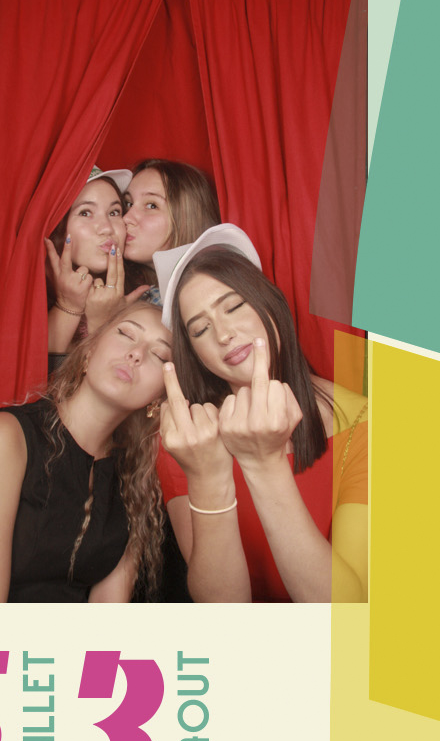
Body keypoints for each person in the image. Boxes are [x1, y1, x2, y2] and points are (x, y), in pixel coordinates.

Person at [155, 226, 368, 603]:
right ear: (196, 356)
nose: (223, 334)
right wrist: (207, 477)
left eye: (234, 306)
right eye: (200, 329)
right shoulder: (188, 438)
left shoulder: (364, 422)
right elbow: (224, 611)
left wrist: (264, 464)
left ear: (270, 302)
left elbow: (348, 614)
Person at [0, 301, 170, 602]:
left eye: (159, 355)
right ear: (89, 351)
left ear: (159, 398)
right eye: (126, 334)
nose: (136, 353)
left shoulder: (136, 481)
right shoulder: (4, 439)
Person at [44, 166, 155, 366]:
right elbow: (40, 376)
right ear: (57, 226)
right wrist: (68, 306)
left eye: (114, 212)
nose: (106, 228)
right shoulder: (29, 298)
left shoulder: (144, 294)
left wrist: (107, 321)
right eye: (85, 213)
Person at [122, 158, 220, 272]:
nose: (126, 218)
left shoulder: (216, 280)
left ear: (186, 220)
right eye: (128, 203)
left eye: (152, 206)